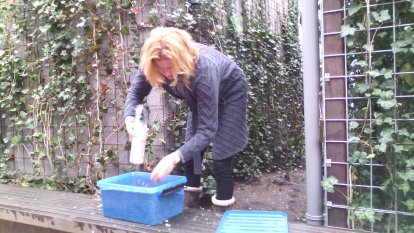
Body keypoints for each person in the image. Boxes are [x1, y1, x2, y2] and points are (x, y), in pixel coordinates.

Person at [124, 27, 248, 210]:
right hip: (200, 96)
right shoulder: (153, 62)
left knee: (221, 156)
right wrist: (129, 119)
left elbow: (207, 130)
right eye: (161, 69)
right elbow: (135, 94)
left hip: (230, 92)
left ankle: (222, 211)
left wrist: (173, 158)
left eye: (170, 67)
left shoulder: (204, 70)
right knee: (191, 150)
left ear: (182, 59)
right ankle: (191, 205)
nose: (166, 73)